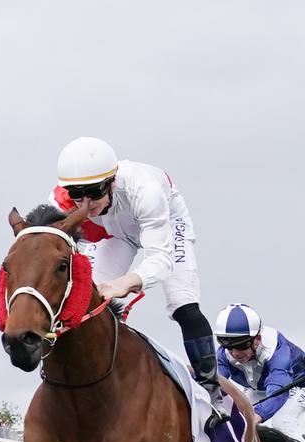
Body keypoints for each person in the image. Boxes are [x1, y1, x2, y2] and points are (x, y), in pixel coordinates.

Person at [53, 137, 224, 418]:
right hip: (117, 236)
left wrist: (125, 282)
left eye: (94, 193)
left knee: (183, 305)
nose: (86, 204)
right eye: (77, 194)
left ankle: (211, 389)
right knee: (91, 302)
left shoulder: (146, 189)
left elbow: (161, 259)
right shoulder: (60, 200)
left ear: (112, 182)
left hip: (166, 222)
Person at [214, 304, 305, 440]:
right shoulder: (224, 354)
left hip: (295, 386)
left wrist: (255, 416)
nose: (235, 353)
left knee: (282, 422)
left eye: (240, 345)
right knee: (234, 419)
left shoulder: (279, 352)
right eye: (229, 346)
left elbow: (277, 394)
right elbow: (215, 385)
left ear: (257, 340)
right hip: (258, 389)